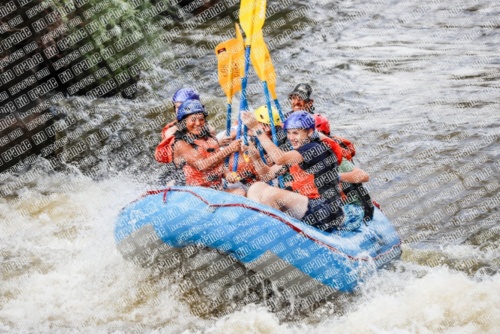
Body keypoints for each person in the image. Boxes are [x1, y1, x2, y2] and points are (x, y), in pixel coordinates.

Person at [242, 111, 370, 232]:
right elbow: (267, 175)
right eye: (289, 133)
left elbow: (279, 158)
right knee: (256, 187)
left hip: (327, 211)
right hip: (308, 207)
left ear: (309, 132)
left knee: (271, 193)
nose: (291, 137)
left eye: (296, 133)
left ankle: (278, 231)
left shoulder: (315, 148)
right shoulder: (295, 154)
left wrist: (257, 129)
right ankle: (266, 228)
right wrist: (253, 153)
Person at [171, 100, 243, 194]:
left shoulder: (209, 138)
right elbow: (202, 165)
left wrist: (228, 174)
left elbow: (218, 164)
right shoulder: (180, 143)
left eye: (201, 119)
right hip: (191, 194)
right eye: (193, 120)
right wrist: (229, 149)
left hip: (214, 191)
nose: (198, 123)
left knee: (240, 192)